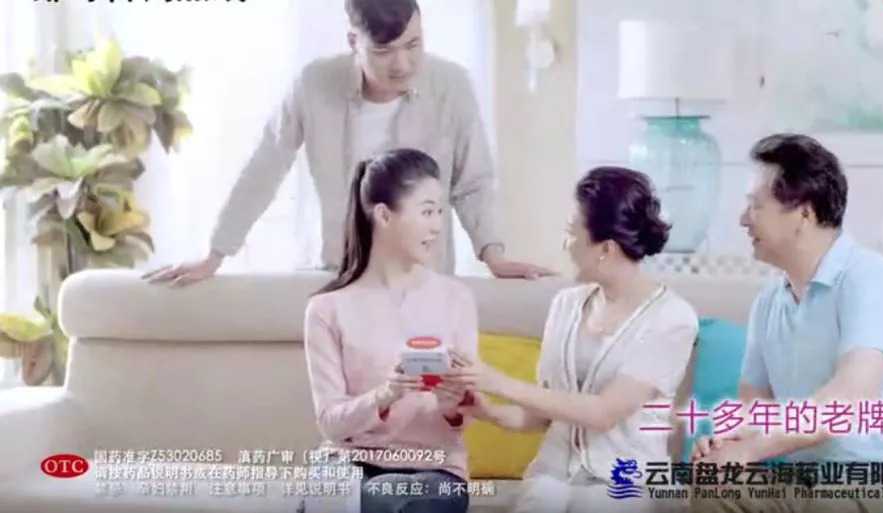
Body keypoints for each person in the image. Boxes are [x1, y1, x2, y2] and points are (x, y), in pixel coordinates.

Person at [143, 0, 553, 286]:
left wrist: (493, 254)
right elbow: (264, 167)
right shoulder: (313, 85)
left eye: (413, 45)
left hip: (423, 276)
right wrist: (216, 253)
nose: (403, 64)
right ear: (354, 41)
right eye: (384, 50)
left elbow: (474, 182)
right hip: (338, 272)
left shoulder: (451, 86)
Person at [690, 134, 883, 513]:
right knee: (711, 486)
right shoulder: (768, 303)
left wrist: (750, 449)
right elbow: (755, 408)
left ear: (804, 213)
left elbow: (851, 399)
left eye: (756, 205)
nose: (742, 218)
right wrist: (727, 444)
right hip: (817, 483)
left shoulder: (868, 277)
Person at [447, 167, 700, 513]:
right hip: (551, 476)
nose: (565, 244)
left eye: (571, 232)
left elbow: (603, 413)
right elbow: (540, 416)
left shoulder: (671, 319)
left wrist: (497, 381)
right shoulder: (565, 304)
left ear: (605, 248)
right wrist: (487, 410)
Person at [298, 148, 477, 513]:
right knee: (338, 497)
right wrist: (386, 395)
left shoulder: (456, 298)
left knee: (386, 498)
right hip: (347, 462)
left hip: (435, 469)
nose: (437, 226)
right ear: (384, 215)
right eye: (427, 211)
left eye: (440, 212)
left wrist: (453, 407)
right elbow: (330, 423)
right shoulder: (326, 309)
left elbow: (468, 413)